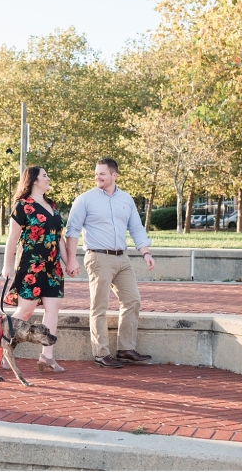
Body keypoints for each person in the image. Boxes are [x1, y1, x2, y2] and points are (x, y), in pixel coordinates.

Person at [65, 158, 156, 369]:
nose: (98, 177)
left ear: (114, 175)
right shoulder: (85, 199)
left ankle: (125, 349)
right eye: (96, 173)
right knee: (100, 306)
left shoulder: (126, 199)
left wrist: (146, 253)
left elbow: (136, 228)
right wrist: (71, 259)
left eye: (102, 174)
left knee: (132, 300)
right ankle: (101, 353)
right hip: (98, 257)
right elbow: (72, 231)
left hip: (122, 258)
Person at [1, 166, 68, 373]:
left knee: (53, 309)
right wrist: (6, 265)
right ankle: (5, 350)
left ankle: (47, 356)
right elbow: (12, 238)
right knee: (27, 310)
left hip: (52, 266)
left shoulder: (52, 205)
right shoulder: (22, 206)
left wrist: (69, 262)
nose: (48, 178)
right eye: (45, 175)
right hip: (31, 264)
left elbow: (59, 238)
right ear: (34, 180)